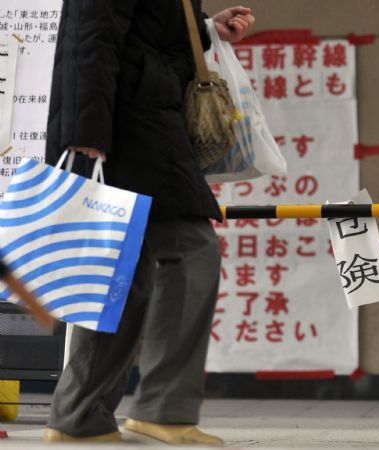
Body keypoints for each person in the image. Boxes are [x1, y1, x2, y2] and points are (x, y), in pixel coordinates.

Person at [43, 0, 254, 445]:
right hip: (133, 125)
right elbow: (89, 36)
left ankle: (79, 417)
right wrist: (86, 135)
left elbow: (141, 25)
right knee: (192, 251)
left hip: (136, 118)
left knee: (124, 275)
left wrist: (204, 28)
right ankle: (163, 409)